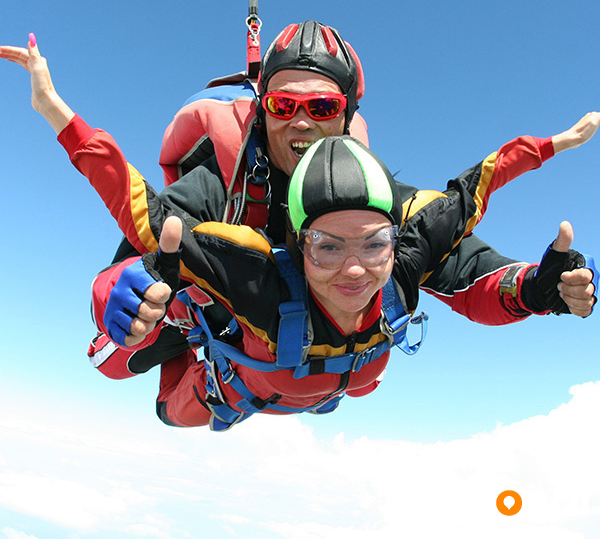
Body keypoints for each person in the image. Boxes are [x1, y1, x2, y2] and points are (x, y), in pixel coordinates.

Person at [0, 38, 597, 432]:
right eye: (283, 106)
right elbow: (148, 236)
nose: (303, 122)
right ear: (262, 111)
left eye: (321, 105)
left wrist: (538, 288)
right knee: (132, 358)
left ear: (346, 112)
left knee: (361, 358)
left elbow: (461, 254)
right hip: (224, 316)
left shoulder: (374, 196)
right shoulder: (217, 189)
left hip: (327, 366)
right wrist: (123, 298)